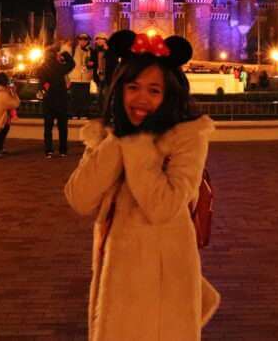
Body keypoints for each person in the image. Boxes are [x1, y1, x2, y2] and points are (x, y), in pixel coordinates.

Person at [64, 30, 219, 340]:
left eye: (154, 90)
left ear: (169, 95)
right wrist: (115, 142)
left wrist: (135, 145)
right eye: (133, 87)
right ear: (119, 89)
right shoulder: (108, 136)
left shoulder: (187, 139)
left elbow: (163, 207)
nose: (141, 98)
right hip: (116, 280)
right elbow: (79, 198)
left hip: (163, 284)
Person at [37, 46, 74, 158]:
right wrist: (65, 54)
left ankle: (49, 150)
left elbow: (41, 83)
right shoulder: (60, 67)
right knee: (63, 127)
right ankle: (63, 150)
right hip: (61, 99)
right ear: (56, 55)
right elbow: (72, 64)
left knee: (48, 127)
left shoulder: (42, 68)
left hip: (49, 100)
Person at [68, 33, 94, 119]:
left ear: (88, 41)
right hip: (75, 77)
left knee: (85, 97)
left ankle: (84, 113)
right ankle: (74, 113)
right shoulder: (73, 49)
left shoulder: (92, 51)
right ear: (78, 40)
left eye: (85, 39)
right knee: (74, 97)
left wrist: (91, 64)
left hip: (86, 77)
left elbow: (95, 63)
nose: (83, 41)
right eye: (81, 39)